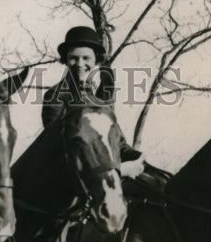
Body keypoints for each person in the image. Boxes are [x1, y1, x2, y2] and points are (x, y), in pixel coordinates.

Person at [41, 25, 143, 174]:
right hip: (80, 176)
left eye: (86, 58)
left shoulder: (99, 100)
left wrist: (138, 156)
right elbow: (61, 146)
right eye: (74, 58)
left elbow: (119, 144)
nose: (80, 64)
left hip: (109, 169)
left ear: (96, 60)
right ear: (66, 60)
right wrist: (120, 170)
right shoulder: (55, 95)